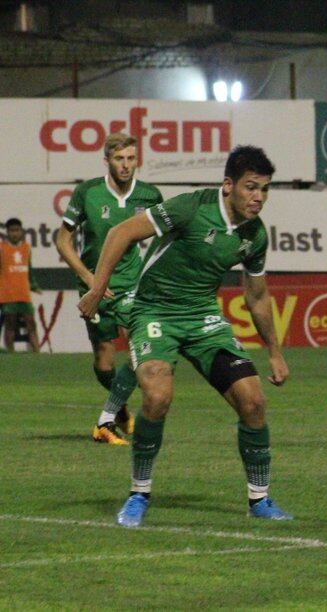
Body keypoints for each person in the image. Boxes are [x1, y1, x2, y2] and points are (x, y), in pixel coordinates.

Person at [78, 145, 292, 527]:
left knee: (254, 402)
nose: (258, 197)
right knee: (158, 396)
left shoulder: (254, 235)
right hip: (154, 312)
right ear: (229, 185)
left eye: (264, 189)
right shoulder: (191, 207)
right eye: (251, 187)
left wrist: (274, 352)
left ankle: (259, 499)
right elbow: (121, 231)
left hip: (203, 318)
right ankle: (139, 494)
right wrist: (97, 288)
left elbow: (257, 295)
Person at [56, 133, 164, 445]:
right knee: (104, 363)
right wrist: (90, 279)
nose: (126, 165)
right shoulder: (88, 192)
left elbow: (166, 235)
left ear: (137, 160)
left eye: (131, 158)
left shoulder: (149, 195)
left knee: (140, 346)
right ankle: (120, 411)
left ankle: (106, 420)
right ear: (107, 161)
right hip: (93, 287)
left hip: (131, 283)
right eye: (119, 159)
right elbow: (63, 241)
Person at [0, 218, 41, 352]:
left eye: (17, 230)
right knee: (10, 324)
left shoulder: (26, 248)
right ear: (7, 232)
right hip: (8, 294)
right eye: (12, 231)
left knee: (31, 323)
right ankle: (11, 354)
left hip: (24, 293)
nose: (15, 233)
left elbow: (29, 270)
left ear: (21, 231)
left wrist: (33, 285)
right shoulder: (2, 248)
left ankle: (37, 352)